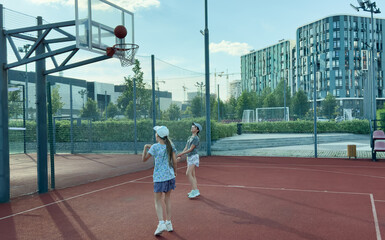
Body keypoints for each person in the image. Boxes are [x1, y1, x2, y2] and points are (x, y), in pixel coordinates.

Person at [142, 126, 177, 236]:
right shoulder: (170, 145)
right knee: (167, 199)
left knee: (157, 200)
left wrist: (145, 148)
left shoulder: (155, 147)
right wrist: (175, 172)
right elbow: (175, 161)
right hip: (169, 176)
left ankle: (161, 223)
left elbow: (144, 159)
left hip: (159, 178)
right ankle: (169, 223)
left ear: (157, 135)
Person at [177, 122, 201, 199]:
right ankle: (195, 189)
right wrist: (181, 154)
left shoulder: (196, 138)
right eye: (192, 126)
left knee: (188, 173)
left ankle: (195, 191)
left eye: (194, 127)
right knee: (193, 174)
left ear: (197, 130)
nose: (192, 127)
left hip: (194, 157)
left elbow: (191, 149)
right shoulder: (189, 137)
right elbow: (186, 147)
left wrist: (181, 154)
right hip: (189, 157)